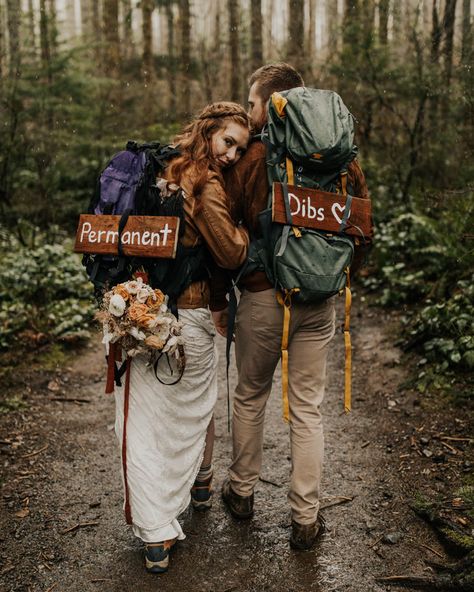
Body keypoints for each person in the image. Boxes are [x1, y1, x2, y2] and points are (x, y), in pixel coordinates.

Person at [212, 63, 370, 550]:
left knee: (250, 396)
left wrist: (222, 296)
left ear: (274, 101)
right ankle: (305, 517)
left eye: (253, 103)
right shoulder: (343, 160)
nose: (251, 112)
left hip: (262, 297)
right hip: (319, 302)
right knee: (307, 410)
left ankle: (241, 493)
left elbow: (227, 228)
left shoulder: (253, 156)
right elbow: (361, 231)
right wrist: (332, 274)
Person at [113, 102, 251, 574]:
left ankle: (156, 527)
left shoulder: (161, 168)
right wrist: (248, 234)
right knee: (185, 420)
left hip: (142, 312)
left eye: (240, 148)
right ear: (209, 130)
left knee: (146, 424)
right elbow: (230, 253)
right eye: (228, 141)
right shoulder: (207, 184)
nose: (232, 154)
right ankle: (165, 519)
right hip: (186, 315)